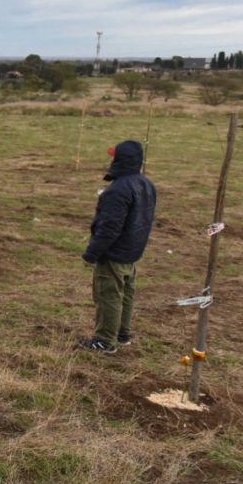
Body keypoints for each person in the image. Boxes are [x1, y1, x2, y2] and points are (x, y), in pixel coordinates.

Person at [77, 140, 156, 353]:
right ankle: (122, 333)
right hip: (132, 251)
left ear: (120, 160)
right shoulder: (146, 184)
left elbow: (109, 228)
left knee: (109, 294)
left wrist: (91, 254)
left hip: (114, 254)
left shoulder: (117, 191)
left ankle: (104, 341)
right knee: (126, 293)